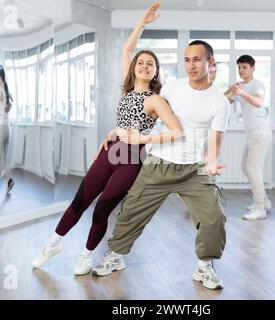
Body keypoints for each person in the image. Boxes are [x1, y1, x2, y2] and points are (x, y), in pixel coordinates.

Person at [32, 2, 183, 275]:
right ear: (134, 68)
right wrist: (142, 23)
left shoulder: (156, 100)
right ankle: (51, 245)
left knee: (101, 211)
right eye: (141, 62)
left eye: (151, 64)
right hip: (110, 151)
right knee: (80, 201)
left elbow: (177, 132)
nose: (145, 65)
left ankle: (86, 256)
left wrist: (143, 138)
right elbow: (127, 49)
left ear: (156, 72)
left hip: (131, 159)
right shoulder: (127, 90)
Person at [92, 38, 231, 291]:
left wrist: (211, 164)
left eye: (197, 59)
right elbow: (141, 109)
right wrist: (116, 131)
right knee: (131, 211)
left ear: (211, 62)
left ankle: (204, 265)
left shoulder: (220, 102)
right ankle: (116, 255)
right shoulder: (172, 87)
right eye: (187, 60)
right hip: (158, 164)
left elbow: (215, 144)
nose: (191, 65)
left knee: (214, 218)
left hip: (192, 170)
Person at [224, 55, 272, 220]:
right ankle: (263, 200)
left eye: (244, 67)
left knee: (253, 169)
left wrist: (241, 93)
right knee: (246, 167)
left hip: (260, 133)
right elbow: (223, 102)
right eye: (239, 68)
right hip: (251, 134)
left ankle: (260, 208)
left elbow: (259, 102)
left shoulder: (257, 85)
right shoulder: (240, 87)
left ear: (252, 68)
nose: (241, 70)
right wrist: (231, 90)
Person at [0, 65, 14, 193]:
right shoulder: (6, 87)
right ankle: (9, 180)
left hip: (0, 128)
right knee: (3, 159)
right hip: (7, 128)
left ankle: (9, 179)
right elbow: (11, 101)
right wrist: (8, 107)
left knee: (1, 160)